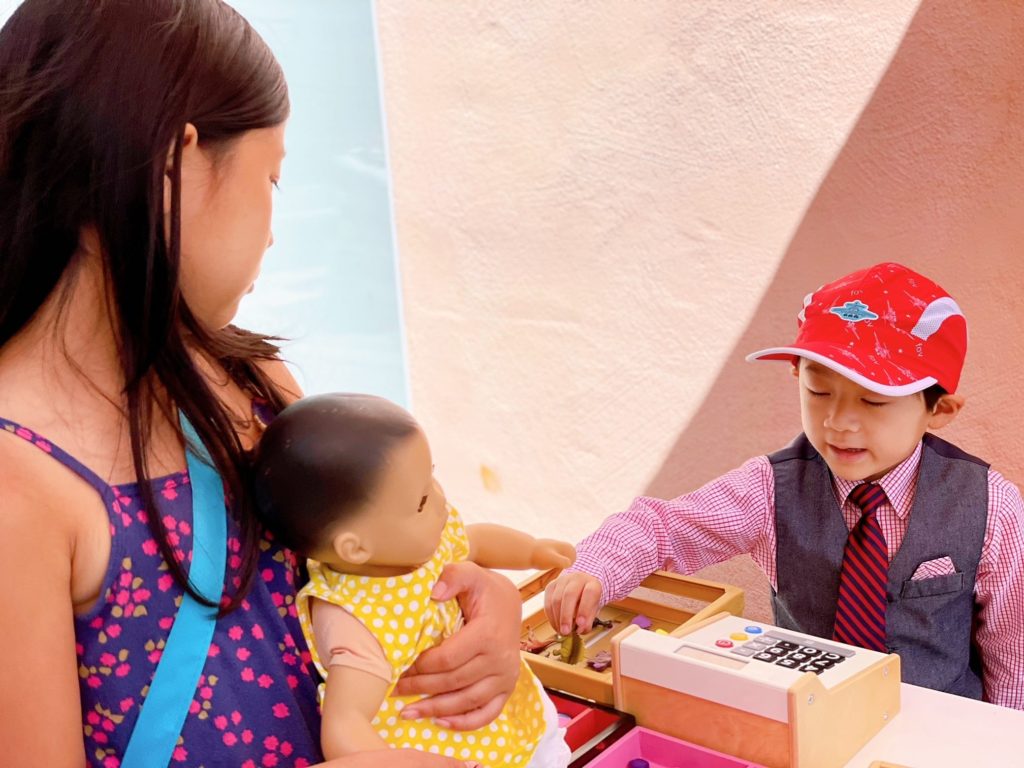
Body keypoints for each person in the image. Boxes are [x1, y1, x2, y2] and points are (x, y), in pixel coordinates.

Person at [0, 1, 527, 765]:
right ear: (173, 167)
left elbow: (371, 569)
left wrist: (481, 604)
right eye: (271, 177)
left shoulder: (250, 385)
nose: (274, 230)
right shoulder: (19, 487)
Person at [545, 262, 1024, 709]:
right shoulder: (769, 488)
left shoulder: (992, 505)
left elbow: (1013, 649)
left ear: (938, 411)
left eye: (873, 401)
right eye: (818, 392)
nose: (838, 421)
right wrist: (595, 568)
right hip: (807, 724)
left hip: (941, 735)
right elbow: (662, 528)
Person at [252, 393, 575, 766]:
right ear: (355, 548)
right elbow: (344, 724)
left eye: (432, 477)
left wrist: (532, 551)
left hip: (513, 718)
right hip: (452, 750)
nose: (439, 498)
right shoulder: (358, 620)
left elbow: (476, 539)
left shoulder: (419, 542)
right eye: (421, 500)